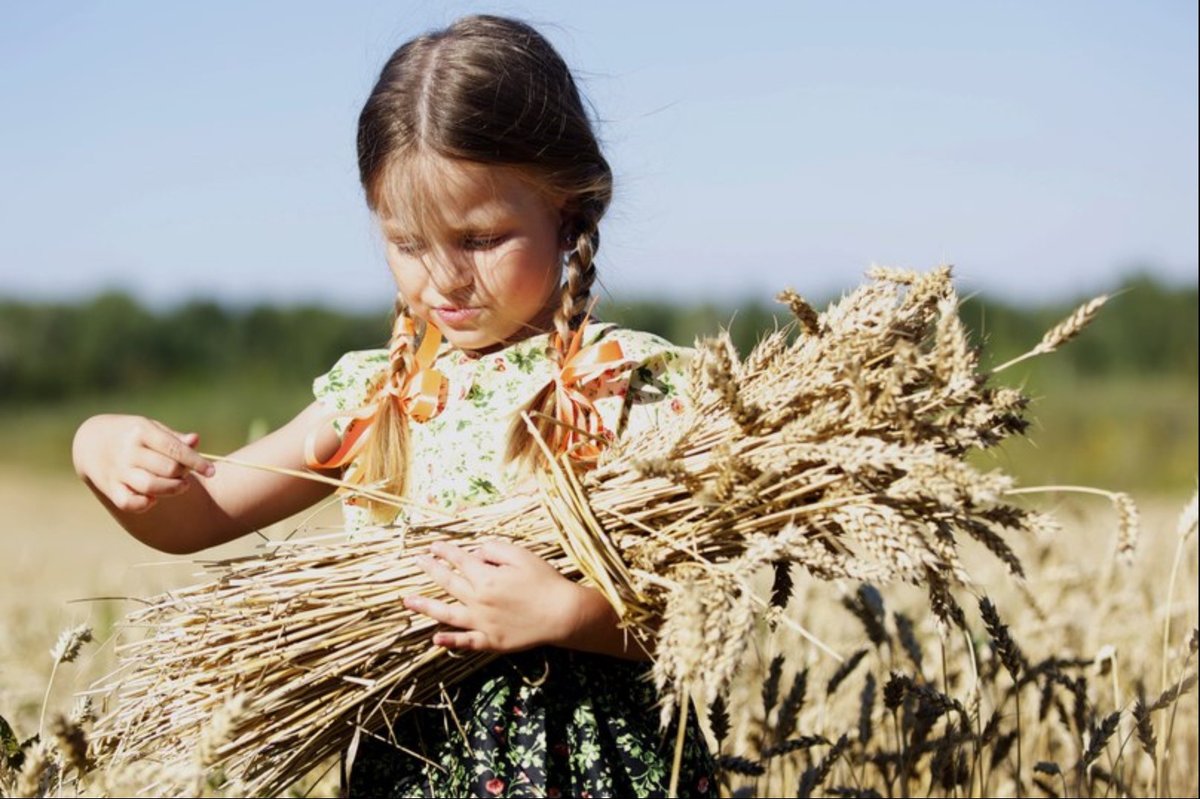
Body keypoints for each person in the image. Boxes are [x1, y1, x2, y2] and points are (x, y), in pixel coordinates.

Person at [71, 14, 716, 798]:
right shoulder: (379, 397)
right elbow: (193, 516)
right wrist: (99, 448)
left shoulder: (625, 383)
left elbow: (718, 607)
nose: (443, 279)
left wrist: (569, 613)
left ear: (568, 207)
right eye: (409, 244)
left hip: (587, 766)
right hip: (413, 764)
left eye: (480, 239)